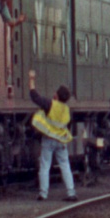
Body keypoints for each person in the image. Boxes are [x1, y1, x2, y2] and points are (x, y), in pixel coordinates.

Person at [28, 69, 76, 202]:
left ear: (56, 95)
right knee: (65, 165)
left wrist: (31, 79)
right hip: (61, 142)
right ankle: (71, 193)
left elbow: (34, 96)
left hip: (48, 141)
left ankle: (43, 194)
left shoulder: (50, 105)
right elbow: (68, 128)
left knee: (45, 166)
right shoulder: (67, 110)